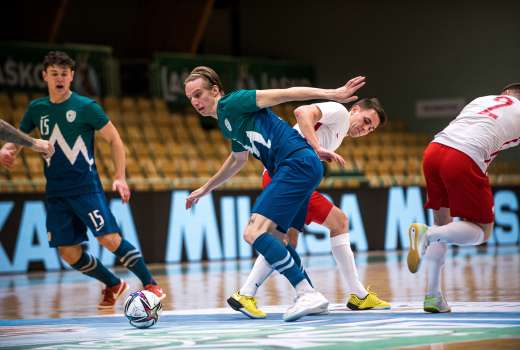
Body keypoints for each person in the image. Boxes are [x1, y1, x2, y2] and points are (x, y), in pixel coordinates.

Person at [184, 66, 365, 322]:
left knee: (252, 232)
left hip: (295, 163)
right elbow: (237, 160)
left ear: (215, 90)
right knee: (281, 241)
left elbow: (286, 94)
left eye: (199, 94)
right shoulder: (227, 124)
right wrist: (205, 188)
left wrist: (333, 93)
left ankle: (307, 292)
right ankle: (302, 294)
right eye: (190, 97)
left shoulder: (234, 102)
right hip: (297, 167)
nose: (195, 101)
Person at [0, 51, 165, 309]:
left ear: (72, 76)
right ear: (45, 76)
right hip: (56, 193)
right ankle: (113, 284)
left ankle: (150, 283)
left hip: (86, 188)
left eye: (64, 74)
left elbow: (114, 139)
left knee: (108, 238)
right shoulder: (37, 109)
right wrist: (8, 150)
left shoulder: (86, 107)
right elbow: (18, 140)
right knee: (68, 252)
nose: (59, 78)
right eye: (54, 73)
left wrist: (119, 177)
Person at [227, 98, 391, 319]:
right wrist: (317, 147)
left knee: (286, 241)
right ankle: (356, 294)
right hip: (289, 173)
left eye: (370, 129)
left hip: (292, 175)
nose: (365, 129)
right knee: (339, 222)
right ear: (355, 109)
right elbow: (303, 112)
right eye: (366, 120)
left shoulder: (339, 131)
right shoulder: (340, 113)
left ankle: (247, 292)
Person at [407, 82, 520, 313]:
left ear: (504, 94)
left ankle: (433, 296)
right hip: (463, 157)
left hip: (434, 151)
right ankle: (426, 234)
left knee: (443, 224)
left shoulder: (482, 99)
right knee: (482, 232)